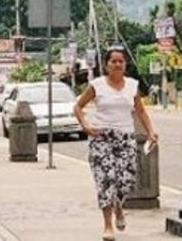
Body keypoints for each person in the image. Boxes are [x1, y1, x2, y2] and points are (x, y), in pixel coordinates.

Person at [73, 49, 158, 241]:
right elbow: (78, 106)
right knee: (105, 180)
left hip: (125, 137)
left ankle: (118, 207)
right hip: (101, 137)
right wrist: (85, 125)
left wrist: (151, 132)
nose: (118, 64)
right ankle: (107, 225)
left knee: (126, 179)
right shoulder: (97, 85)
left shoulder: (132, 86)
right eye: (113, 61)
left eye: (121, 61)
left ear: (125, 64)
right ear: (106, 65)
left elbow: (140, 111)